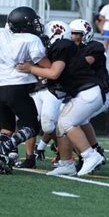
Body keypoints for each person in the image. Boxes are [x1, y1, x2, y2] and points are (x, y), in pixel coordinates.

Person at [16, 23, 105, 176]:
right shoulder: (63, 48)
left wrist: (31, 68)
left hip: (89, 92)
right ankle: (66, 164)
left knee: (67, 123)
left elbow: (54, 73)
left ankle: (91, 155)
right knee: (60, 126)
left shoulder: (62, 45)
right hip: (82, 93)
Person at [0, 6, 48, 174]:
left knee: (6, 127)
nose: (36, 25)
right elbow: (46, 65)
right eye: (32, 22)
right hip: (18, 86)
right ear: (24, 25)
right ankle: (5, 148)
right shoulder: (31, 39)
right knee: (32, 126)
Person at [25, 21, 71, 167]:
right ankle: (29, 157)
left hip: (54, 89)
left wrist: (31, 68)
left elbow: (54, 72)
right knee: (30, 123)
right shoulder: (40, 44)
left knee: (48, 125)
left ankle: (68, 152)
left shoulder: (63, 48)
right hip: (38, 88)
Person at [69, 18, 109, 168]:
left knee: (73, 121)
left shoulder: (95, 47)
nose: (73, 37)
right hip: (84, 94)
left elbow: (82, 65)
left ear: (85, 34)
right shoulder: (73, 49)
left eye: (76, 34)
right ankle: (94, 150)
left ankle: (86, 155)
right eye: (71, 34)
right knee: (79, 120)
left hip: (100, 94)